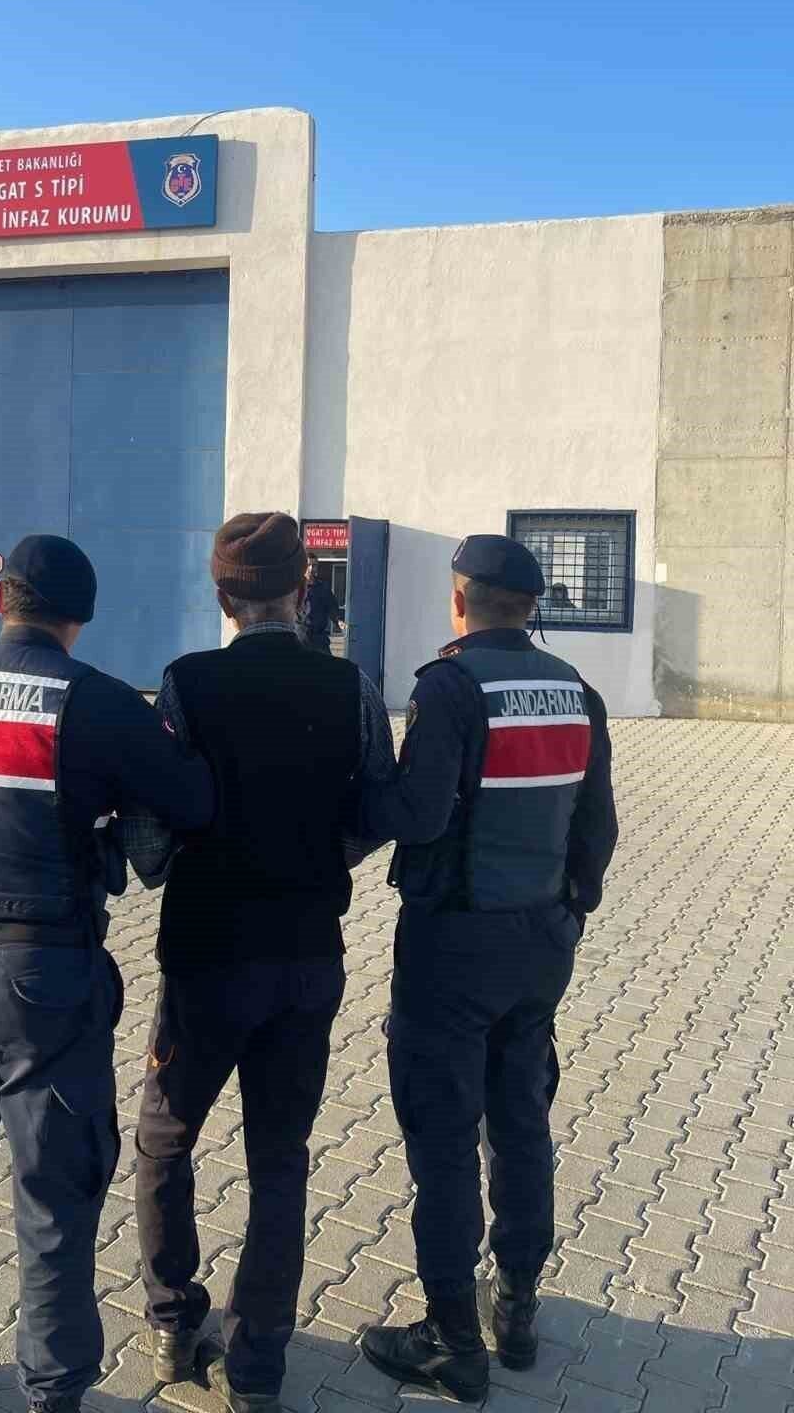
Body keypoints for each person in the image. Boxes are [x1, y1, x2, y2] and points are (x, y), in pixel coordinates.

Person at [0, 535, 214, 1413]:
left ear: (4, 602)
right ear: (81, 618)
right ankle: (53, 1392)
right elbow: (191, 801)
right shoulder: (97, 701)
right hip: (44, 977)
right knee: (54, 1187)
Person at [122, 512, 398, 1413]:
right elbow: (376, 810)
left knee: (166, 1138)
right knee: (280, 1159)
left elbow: (150, 832)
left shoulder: (187, 684)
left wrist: (167, 862)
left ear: (221, 596)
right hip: (307, 956)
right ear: (303, 588)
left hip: (205, 959)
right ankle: (258, 1368)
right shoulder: (351, 686)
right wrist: (320, 858)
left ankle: (173, 1320)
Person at [356, 535, 617, 1405]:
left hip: (455, 947)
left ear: (460, 599)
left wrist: (364, 796)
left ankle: (451, 1339)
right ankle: (517, 1307)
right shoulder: (576, 690)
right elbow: (597, 826)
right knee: (521, 1122)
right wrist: (570, 911)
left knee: (442, 1137)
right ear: (531, 608)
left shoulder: (451, 686)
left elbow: (421, 814)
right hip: (541, 943)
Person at [300, 559, 344, 654]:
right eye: (308, 565)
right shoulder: (296, 587)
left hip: (319, 638)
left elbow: (332, 607)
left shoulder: (323, 588)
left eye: (314, 565)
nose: (311, 568)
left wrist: (338, 621)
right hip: (301, 638)